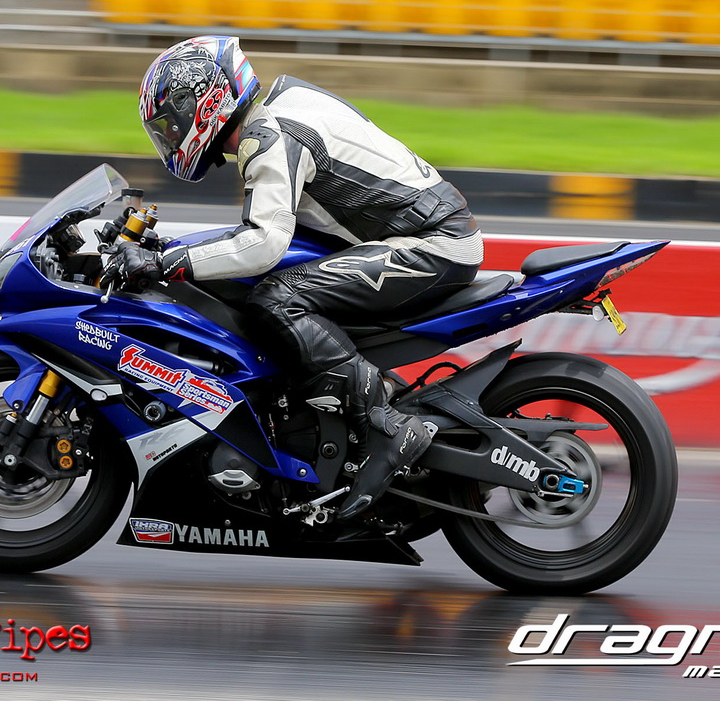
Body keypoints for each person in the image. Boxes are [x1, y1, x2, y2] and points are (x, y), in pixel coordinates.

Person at [118, 35, 483, 519]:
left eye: (171, 122)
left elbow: (263, 243)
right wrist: (170, 249)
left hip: (432, 245)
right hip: (423, 236)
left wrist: (167, 262)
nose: (170, 135)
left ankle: (386, 425)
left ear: (202, 102)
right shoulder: (283, 104)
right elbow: (267, 228)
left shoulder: (269, 137)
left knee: (276, 298)